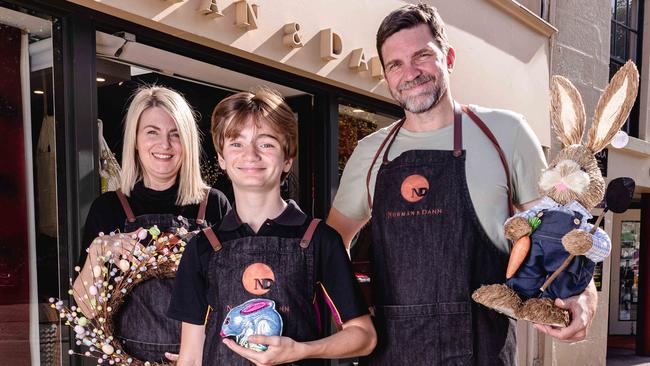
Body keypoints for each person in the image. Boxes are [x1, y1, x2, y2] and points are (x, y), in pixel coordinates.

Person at [326, 4, 599, 365]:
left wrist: (583, 296)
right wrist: (354, 317)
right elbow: (331, 245)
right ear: (387, 75)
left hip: (484, 348)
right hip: (392, 353)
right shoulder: (370, 153)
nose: (410, 72)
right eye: (395, 64)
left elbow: (558, 232)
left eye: (422, 56)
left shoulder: (507, 133)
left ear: (448, 57)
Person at [168, 89, 376, 366]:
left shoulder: (318, 239)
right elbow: (191, 357)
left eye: (266, 144)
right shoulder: (203, 246)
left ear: (287, 158)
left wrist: (301, 350)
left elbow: (364, 336)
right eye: (236, 144)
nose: (250, 155)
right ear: (221, 158)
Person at [73, 86, 231, 363]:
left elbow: (233, 295)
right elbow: (84, 309)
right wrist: (97, 252)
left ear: (188, 142)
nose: (165, 145)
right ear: (135, 139)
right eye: (152, 132)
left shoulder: (214, 204)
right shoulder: (108, 208)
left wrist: (201, 348)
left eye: (175, 134)